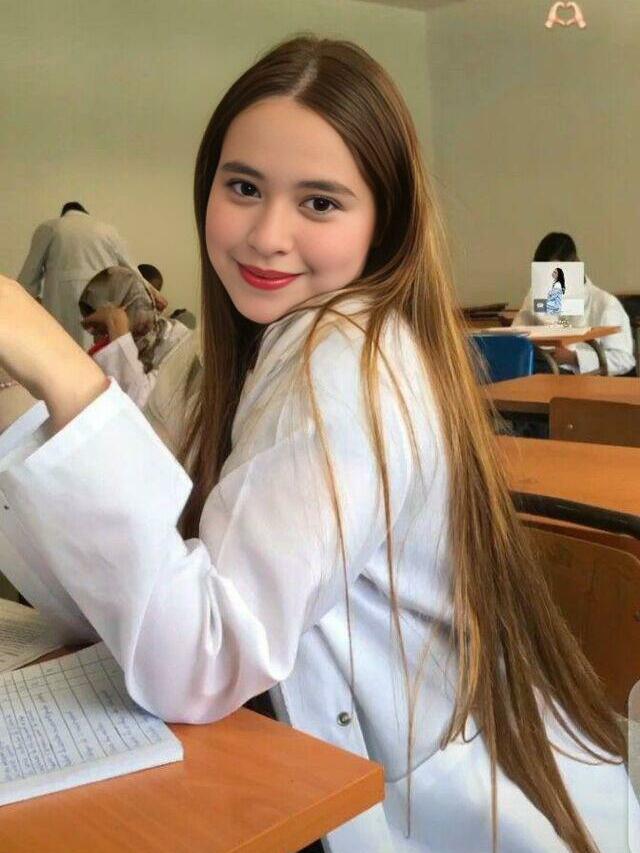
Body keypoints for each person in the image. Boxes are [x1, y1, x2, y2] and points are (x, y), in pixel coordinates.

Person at [0, 37, 635, 853]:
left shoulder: (347, 361)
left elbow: (199, 659)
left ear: (384, 223)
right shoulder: (226, 354)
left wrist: (60, 368)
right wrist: (23, 395)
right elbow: (115, 590)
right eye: (243, 187)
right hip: (298, 763)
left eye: (321, 202)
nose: (268, 234)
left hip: (422, 817)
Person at [16, 202, 136, 349]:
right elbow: (133, 273)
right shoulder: (108, 231)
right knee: (102, 355)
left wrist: (32, 308)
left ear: (63, 214)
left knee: (65, 352)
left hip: (62, 311)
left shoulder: (50, 228)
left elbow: (27, 280)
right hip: (107, 313)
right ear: (86, 214)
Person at [513, 232, 635, 375]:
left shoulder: (605, 304)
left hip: (581, 377)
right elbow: (515, 335)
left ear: (575, 264)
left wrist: (574, 358)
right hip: (537, 369)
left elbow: (623, 359)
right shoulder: (537, 294)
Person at [79, 266, 191, 409]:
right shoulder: (118, 345)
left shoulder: (182, 345)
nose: (101, 338)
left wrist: (117, 327)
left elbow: (139, 406)